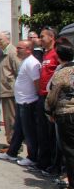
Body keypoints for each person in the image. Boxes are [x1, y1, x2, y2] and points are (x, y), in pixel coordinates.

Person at [0, 39, 41, 165]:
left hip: (28, 101)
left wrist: (36, 96)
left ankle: (32, 157)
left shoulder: (32, 63)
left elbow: (36, 82)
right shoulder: (24, 62)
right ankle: (12, 152)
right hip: (21, 101)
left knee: (28, 131)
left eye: (20, 48)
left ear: (28, 50)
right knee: (19, 130)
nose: (17, 50)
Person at [45, 40, 74, 189]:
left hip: (66, 113)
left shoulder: (61, 73)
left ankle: (72, 184)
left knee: (69, 150)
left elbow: (52, 95)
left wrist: (49, 111)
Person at [35, 27, 59, 172]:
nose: (40, 39)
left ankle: (52, 164)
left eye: (42, 36)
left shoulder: (56, 53)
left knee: (51, 134)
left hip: (50, 97)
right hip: (42, 95)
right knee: (42, 132)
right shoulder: (46, 53)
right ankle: (43, 162)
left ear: (51, 37)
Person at [0, 31, 20, 150]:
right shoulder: (5, 52)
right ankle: (11, 143)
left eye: (0, 39)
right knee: (8, 118)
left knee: (11, 119)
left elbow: (18, 70)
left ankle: (14, 145)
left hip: (10, 91)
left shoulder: (12, 52)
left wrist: (12, 85)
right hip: (6, 90)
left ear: (8, 40)